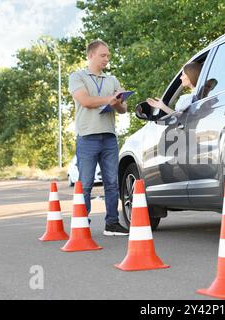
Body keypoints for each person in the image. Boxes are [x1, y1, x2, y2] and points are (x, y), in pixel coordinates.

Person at [68, 39, 129, 236]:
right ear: (91, 55)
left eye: (108, 56)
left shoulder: (112, 80)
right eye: (103, 55)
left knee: (112, 182)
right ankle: (81, 222)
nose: (106, 59)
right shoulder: (77, 77)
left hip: (109, 137)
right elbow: (85, 101)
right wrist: (107, 99)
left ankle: (111, 223)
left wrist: (119, 100)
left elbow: (122, 110)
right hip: (87, 137)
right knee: (85, 183)